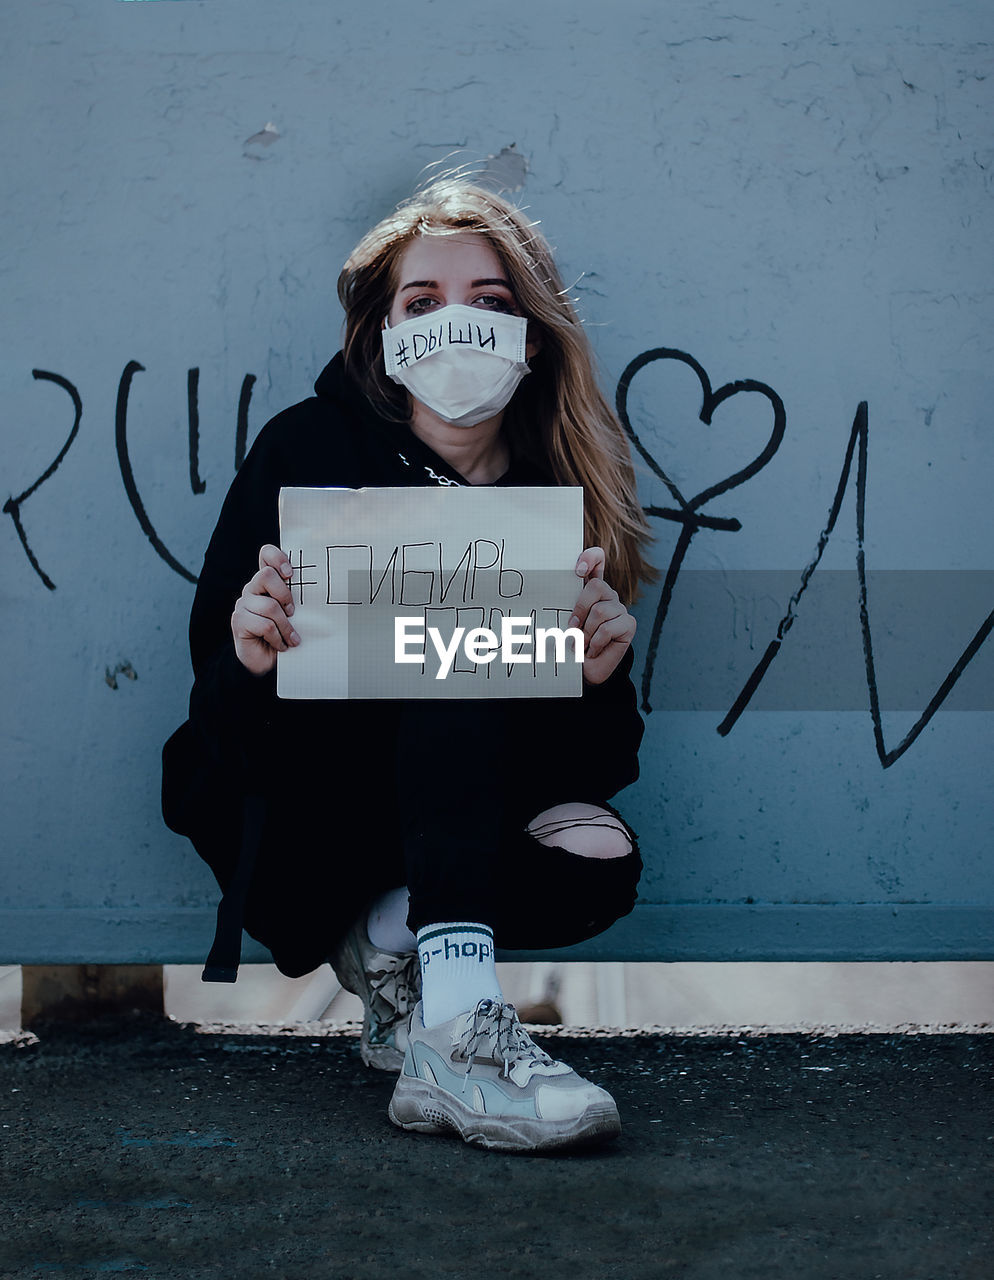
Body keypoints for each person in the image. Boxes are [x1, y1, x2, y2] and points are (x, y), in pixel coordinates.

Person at [162, 179, 657, 1153]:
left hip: (453, 825)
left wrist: (595, 678)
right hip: (300, 818)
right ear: (383, 333)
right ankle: (460, 1030)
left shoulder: (553, 483)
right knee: (448, 646)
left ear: (532, 333)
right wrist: (252, 654)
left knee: (596, 855)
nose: (456, 324)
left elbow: (589, 765)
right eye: (422, 302)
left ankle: (397, 942)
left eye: (491, 300)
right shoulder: (304, 449)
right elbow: (211, 716)